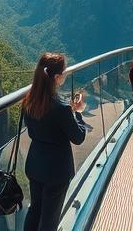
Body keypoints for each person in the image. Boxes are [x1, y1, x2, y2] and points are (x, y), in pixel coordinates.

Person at [22, 52, 87, 231]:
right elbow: (78, 137)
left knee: (35, 210)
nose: (65, 75)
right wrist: (79, 113)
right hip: (56, 170)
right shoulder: (62, 108)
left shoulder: (28, 100)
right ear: (57, 77)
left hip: (35, 164)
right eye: (64, 72)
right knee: (50, 219)